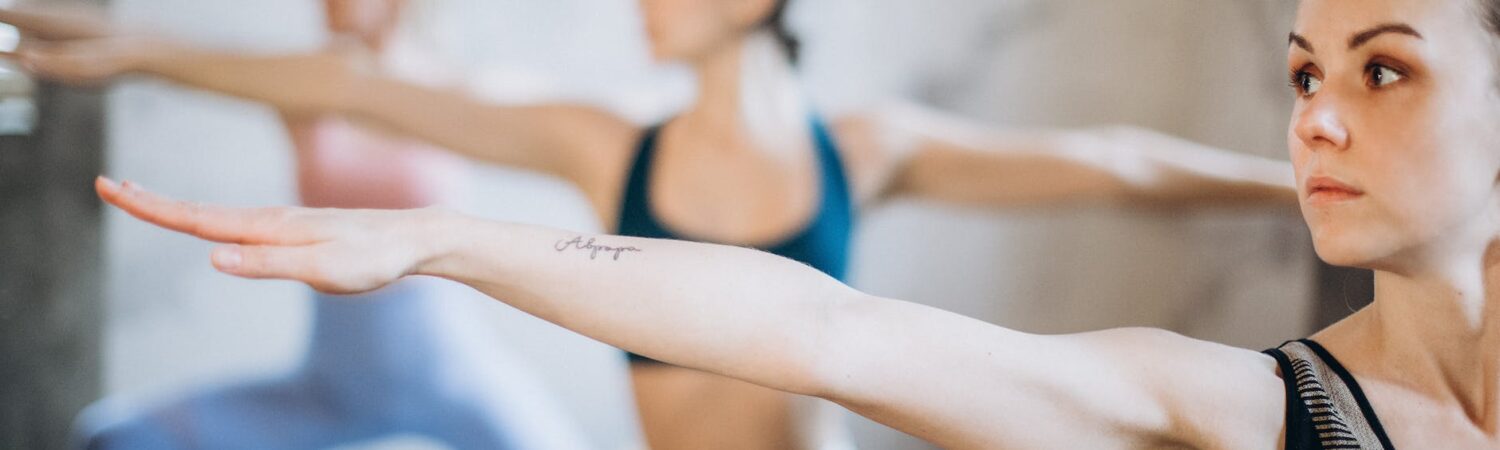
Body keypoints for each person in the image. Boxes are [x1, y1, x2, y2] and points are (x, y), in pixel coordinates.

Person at [3, 1, 1301, 448]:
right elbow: (351, 85)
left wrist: (1302, 187)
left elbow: (1113, 165)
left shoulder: (861, 151)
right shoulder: (603, 144)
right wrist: (133, 53)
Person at [15, 1, 588, 449]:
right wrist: (12, 16)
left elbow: (571, 132)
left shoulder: (452, 86)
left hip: (447, 371)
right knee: (115, 437)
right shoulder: (307, 86)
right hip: (333, 381)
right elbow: (162, 51)